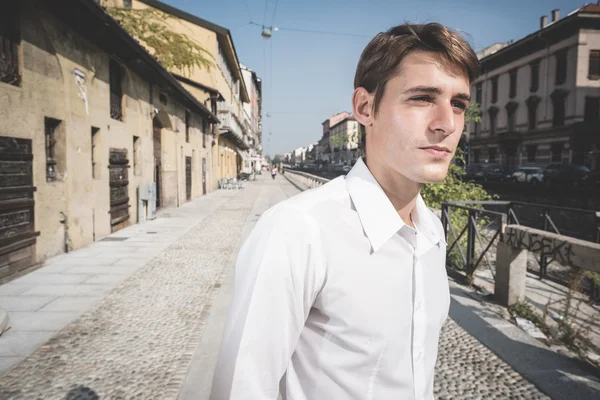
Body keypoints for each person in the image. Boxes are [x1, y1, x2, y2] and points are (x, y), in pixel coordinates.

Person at [210, 22, 478, 400]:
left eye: (459, 104)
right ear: (365, 108)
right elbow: (242, 389)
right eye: (422, 98)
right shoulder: (299, 230)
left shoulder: (432, 229)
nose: (447, 124)